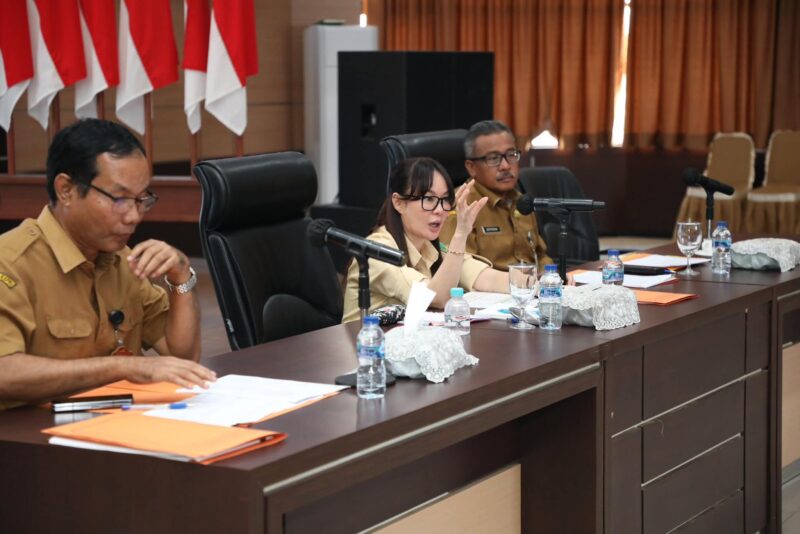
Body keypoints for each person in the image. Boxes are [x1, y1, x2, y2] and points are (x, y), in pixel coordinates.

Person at [0, 119, 215, 409]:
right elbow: (4, 372)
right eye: (120, 199)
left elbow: (182, 361)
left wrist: (181, 277)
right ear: (66, 190)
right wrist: (123, 367)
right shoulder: (10, 262)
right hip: (29, 431)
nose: (134, 216)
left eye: (141, 199)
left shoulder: (123, 261)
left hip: (114, 423)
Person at [342, 157, 509, 323]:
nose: (440, 210)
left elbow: (486, 278)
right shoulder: (377, 253)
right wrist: (461, 233)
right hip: (365, 339)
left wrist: (523, 281)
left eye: (445, 199)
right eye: (429, 199)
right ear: (399, 203)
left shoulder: (430, 246)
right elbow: (437, 298)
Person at [439, 120, 553, 271]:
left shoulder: (521, 201)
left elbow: (540, 256)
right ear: (472, 168)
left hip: (532, 283)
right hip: (492, 285)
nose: (505, 166)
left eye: (511, 155)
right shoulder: (461, 205)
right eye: (493, 158)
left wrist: (553, 275)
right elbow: (461, 268)